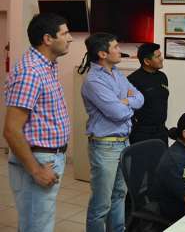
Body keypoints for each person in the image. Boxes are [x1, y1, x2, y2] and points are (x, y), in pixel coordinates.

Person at [3, 13, 72, 232]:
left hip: (49, 156)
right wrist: (36, 170)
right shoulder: (30, 72)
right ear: (47, 39)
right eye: (65, 33)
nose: (70, 38)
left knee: (40, 222)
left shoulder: (47, 66)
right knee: (37, 226)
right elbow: (11, 130)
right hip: (38, 159)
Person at [81, 33, 144, 232]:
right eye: (116, 47)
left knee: (119, 195)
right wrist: (125, 103)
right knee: (101, 204)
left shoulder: (116, 73)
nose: (120, 50)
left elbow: (140, 98)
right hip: (105, 145)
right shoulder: (93, 81)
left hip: (123, 142)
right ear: (102, 53)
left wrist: (124, 101)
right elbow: (117, 113)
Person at [127, 43, 169, 145]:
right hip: (142, 134)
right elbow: (129, 109)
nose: (161, 59)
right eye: (157, 56)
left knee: (163, 161)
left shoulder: (162, 76)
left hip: (161, 132)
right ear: (147, 61)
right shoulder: (133, 80)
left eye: (160, 55)